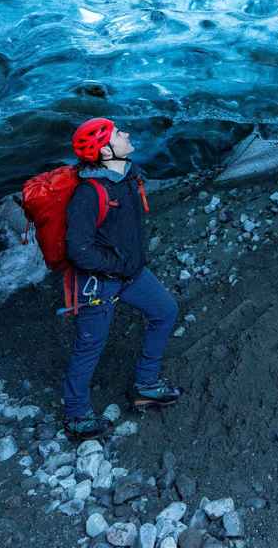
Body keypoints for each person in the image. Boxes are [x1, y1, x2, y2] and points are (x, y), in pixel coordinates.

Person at [62, 117, 182, 440]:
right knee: (89, 347)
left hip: (129, 273)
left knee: (165, 311)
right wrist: (115, 265)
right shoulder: (88, 195)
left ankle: (146, 384)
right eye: (117, 133)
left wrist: (128, 263)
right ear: (104, 150)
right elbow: (78, 249)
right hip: (100, 282)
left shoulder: (127, 175)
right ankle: (76, 416)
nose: (125, 133)